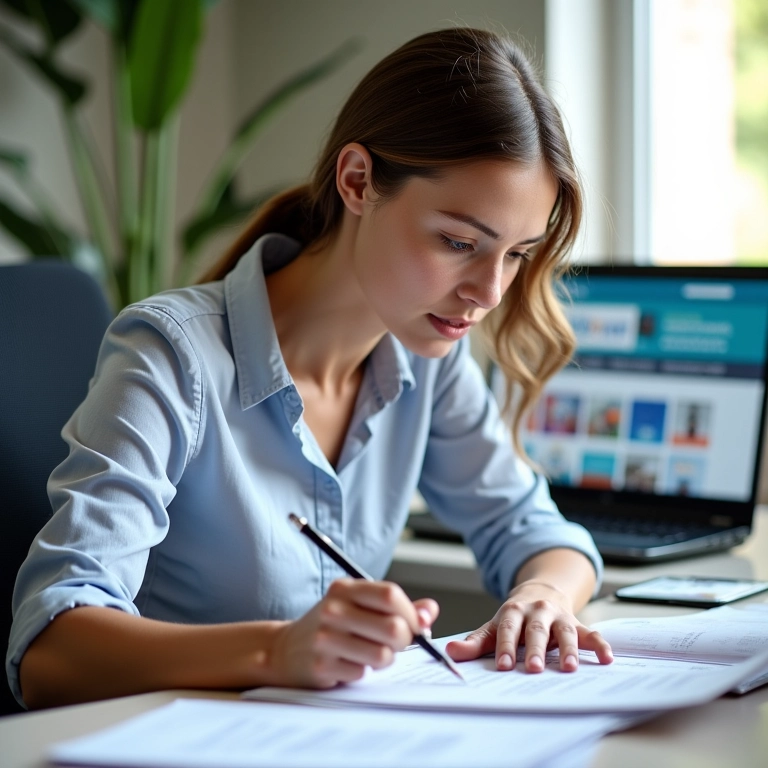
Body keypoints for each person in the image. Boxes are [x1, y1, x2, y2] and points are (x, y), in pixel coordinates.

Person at [7, 27, 613, 710]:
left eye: (516, 254)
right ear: (357, 182)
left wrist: (542, 595)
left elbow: (534, 530)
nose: (490, 292)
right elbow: (49, 651)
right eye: (458, 242)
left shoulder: (428, 354)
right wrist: (275, 651)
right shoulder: (170, 354)